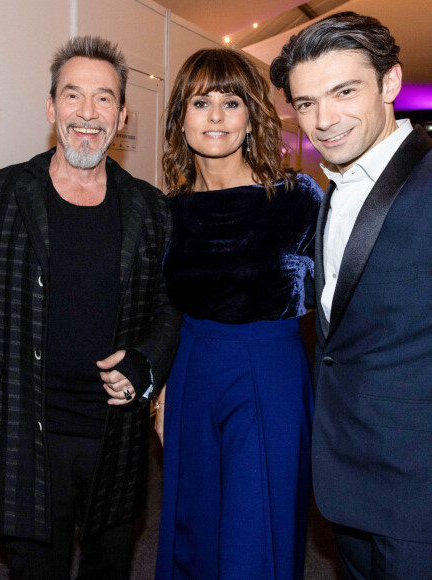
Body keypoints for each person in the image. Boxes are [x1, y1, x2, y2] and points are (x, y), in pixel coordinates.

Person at [0, 35, 181, 580]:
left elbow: (170, 302)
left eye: (104, 98)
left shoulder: (151, 209)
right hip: (25, 437)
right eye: (73, 96)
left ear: (123, 113)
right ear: (50, 108)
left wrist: (146, 364)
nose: (88, 114)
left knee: (109, 569)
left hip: (116, 439)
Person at [270, 11, 432, 579]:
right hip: (348, 483)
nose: (324, 120)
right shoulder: (332, 189)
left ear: (390, 83)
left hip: (419, 496)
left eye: (344, 91)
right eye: (306, 102)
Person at [154, 47, 322, 579]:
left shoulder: (296, 197)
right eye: (201, 102)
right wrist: (160, 390)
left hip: (268, 372)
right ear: (181, 116)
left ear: (252, 116)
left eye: (232, 102)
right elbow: (166, 306)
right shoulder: (169, 210)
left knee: (257, 533)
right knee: (193, 526)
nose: (217, 117)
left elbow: (337, 296)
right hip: (191, 372)